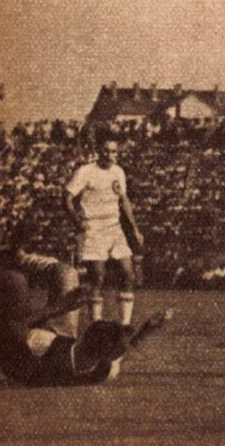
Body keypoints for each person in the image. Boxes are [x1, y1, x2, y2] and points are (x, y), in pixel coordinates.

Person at [0, 235, 126, 386]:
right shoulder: (104, 370)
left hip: (17, 353)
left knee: (14, 281)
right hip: (55, 346)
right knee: (67, 273)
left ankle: (16, 259)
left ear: (86, 336)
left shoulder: (46, 344)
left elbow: (15, 327)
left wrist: (59, 308)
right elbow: (122, 348)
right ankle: (21, 258)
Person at [65, 140, 144, 334]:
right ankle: (96, 326)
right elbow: (66, 198)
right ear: (99, 151)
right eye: (106, 151)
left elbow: (124, 200)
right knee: (97, 276)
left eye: (114, 152)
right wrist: (78, 222)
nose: (110, 155)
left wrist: (134, 229)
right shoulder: (85, 171)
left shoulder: (118, 172)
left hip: (114, 228)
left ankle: (125, 325)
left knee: (128, 273)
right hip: (93, 228)